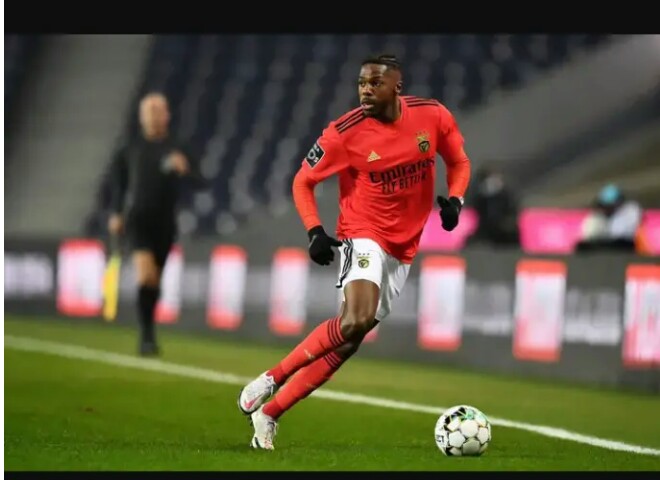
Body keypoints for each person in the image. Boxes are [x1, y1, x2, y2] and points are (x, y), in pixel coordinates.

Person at [237, 54, 472, 450]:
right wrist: (314, 230)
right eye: (362, 83)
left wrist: (456, 200)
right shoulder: (344, 132)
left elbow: (459, 161)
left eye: (375, 83)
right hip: (363, 233)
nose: (365, 90)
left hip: (404, 246)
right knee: (355, 320)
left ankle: (269, 414)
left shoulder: (432, 115)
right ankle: (271, 378)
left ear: (396, 87)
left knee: (349, 341)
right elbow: (302, 181)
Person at [107, 92, 204, 356]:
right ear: (142, 117)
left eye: (158, 110)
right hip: (138, 219)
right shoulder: (130, 148)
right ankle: (146, 336)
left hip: (165, 222)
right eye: (149, 111)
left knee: (155, 282)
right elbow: (119, 183)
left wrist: (185, 170)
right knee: (146, 275)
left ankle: (148, 330)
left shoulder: (177, 147)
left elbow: (200, 181)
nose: (153, 116)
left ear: (167, 115)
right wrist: (116, 212)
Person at [575, 183, 643, 253]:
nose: (606, 209)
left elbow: (623, 236)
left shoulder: (629, 211)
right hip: (602, 244)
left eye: (610, 206)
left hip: (622, 244)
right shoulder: (595, 217)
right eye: (604, 206)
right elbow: (589, 237)